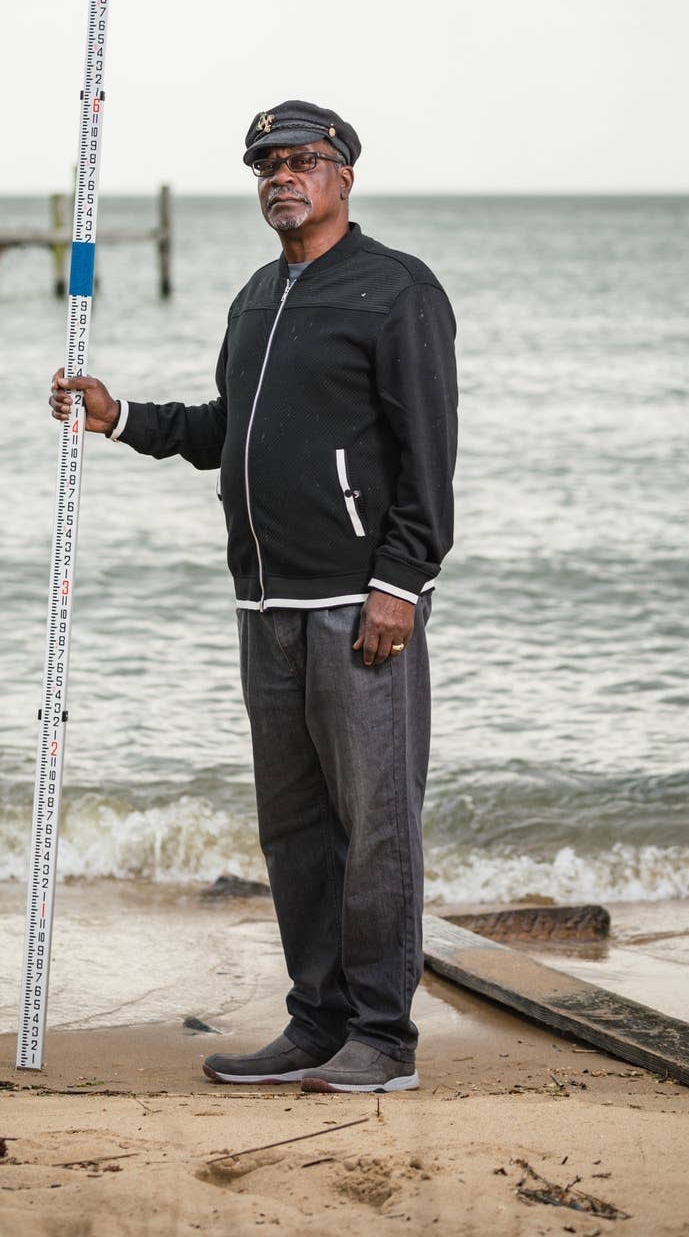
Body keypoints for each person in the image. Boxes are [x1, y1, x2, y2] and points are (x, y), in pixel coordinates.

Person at [50, 100, 458, 1093]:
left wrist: (398, 582)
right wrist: (123, 419)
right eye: (266, 163)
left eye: (303, 160)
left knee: (374, 826)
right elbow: (229, 428)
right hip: (263, 610)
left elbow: (427, 456)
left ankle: (381, 1039)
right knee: (294, 832)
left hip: (358, 605)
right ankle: (315, 1024)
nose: (282, 175)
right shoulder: (255, 295)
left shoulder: (393, 290)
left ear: (343, 175)